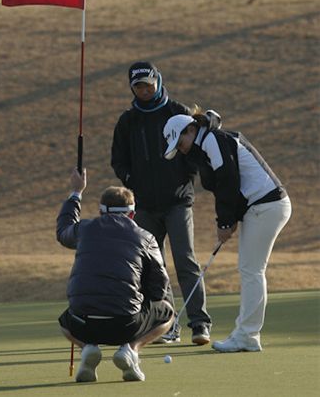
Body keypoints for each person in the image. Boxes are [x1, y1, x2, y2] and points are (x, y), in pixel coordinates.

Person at [162, 107, 292, 352]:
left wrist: (224, 222)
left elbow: (228, 180)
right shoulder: (208, 145)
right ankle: (247, 334)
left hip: (266, 205)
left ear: (190, 130)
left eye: (180, 143)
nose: (181, 149)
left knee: (251, 270)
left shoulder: (213, 139)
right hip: (261, 207)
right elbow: (226, 184)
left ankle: (247, 335)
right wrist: (228, 220)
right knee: (250, 269)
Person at [111, 61, 221, 345]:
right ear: (132, 88)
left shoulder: (178, 112)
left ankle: (199, 324)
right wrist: (131, 178)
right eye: (139, 86)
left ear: (158, 81)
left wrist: (186, 176)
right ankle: (166, 326)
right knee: (153, 266)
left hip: (178, 201)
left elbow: (195, 151)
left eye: (148, 84)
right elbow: (118, 160)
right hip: (145, 204)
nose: (145, 90)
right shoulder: (128, 120)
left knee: (185, 260)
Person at [57, 168, 174, 382]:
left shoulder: (85, 229)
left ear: (102, 212)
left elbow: (63, 232)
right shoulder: (145, 237)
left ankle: (89, 349)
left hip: (82, 323)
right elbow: (159, 287)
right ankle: (131, 350)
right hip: (125, 324)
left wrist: (76, 192)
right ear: (132, 213)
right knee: (167, 312)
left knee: (65, 320)